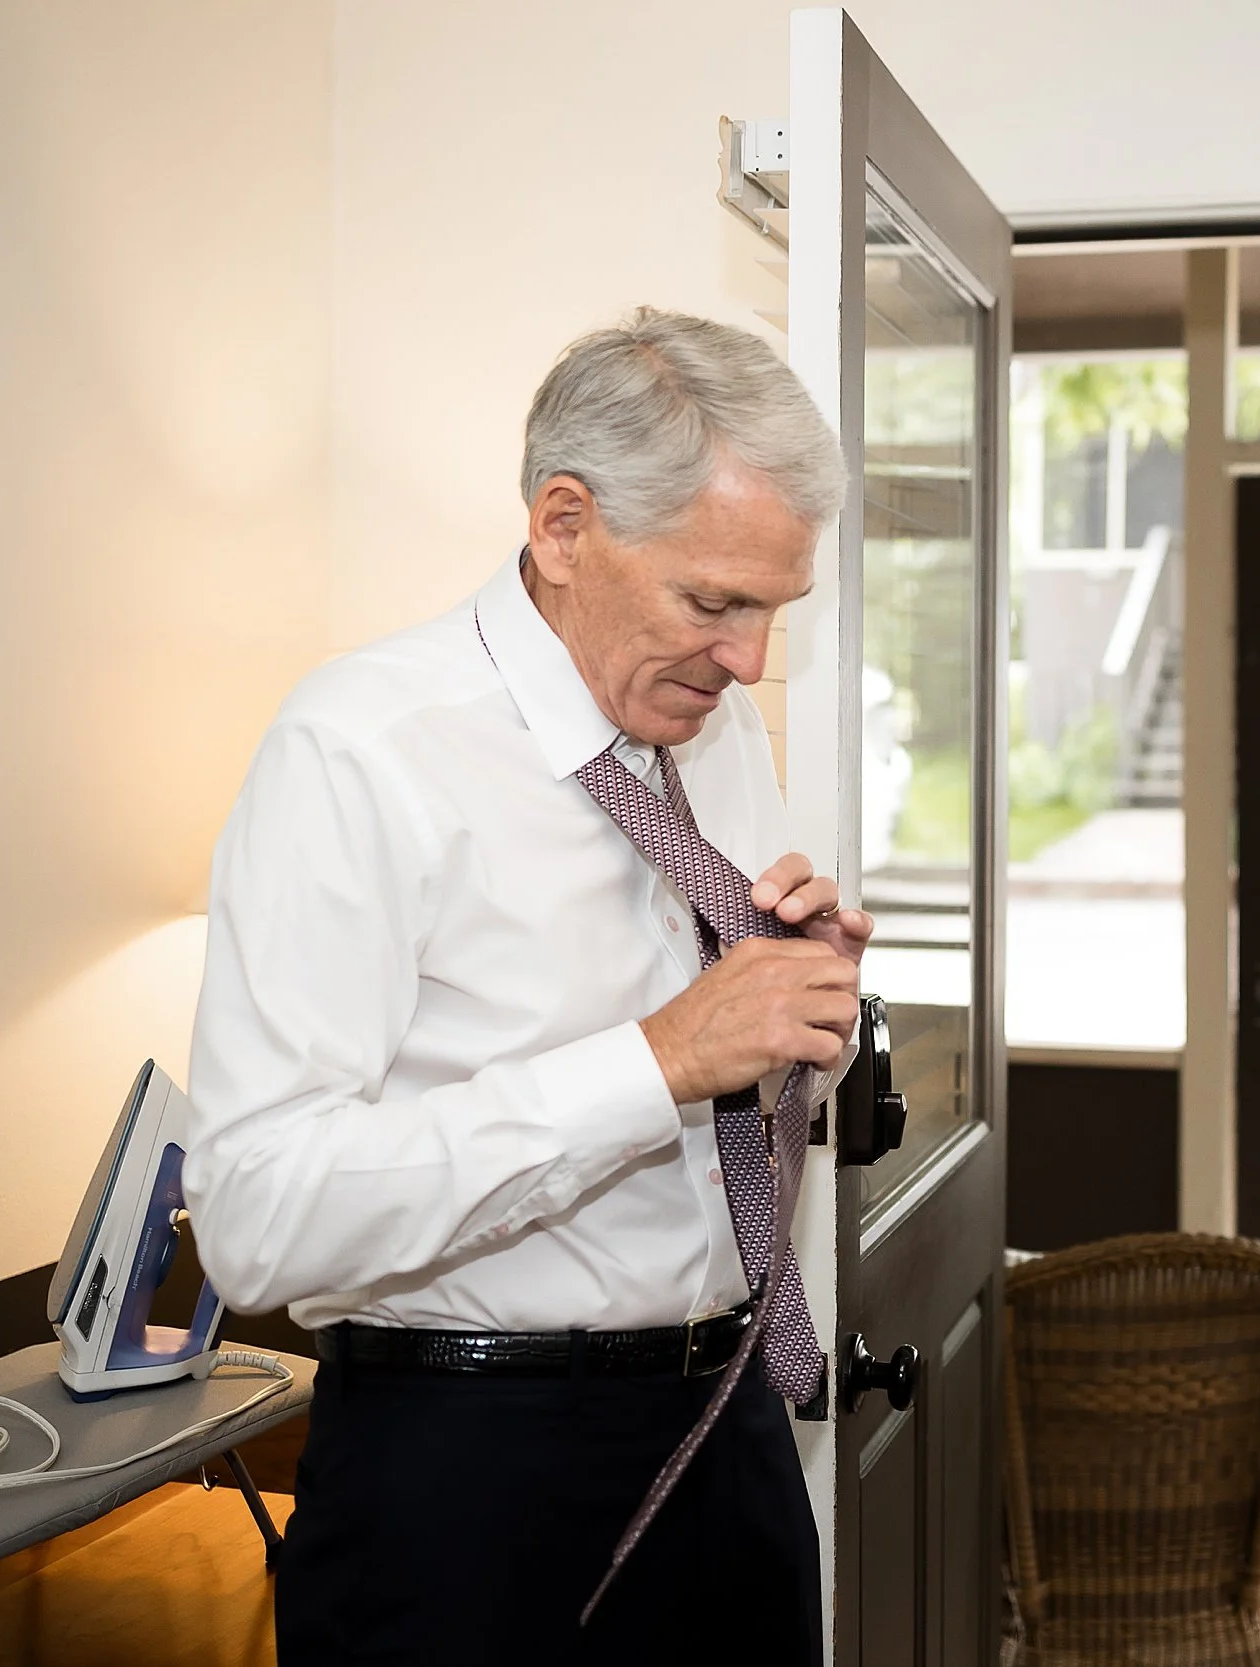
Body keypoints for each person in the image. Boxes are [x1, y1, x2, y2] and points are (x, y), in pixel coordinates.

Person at [183, 309, 863, 1664]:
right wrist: (652, 1060)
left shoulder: (706, 733)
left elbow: (720, 1068)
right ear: (563, 526)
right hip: (468, 1484)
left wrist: (795, 1008)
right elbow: (257, 1218)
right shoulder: (361, 748)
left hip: (728, 1441)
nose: (749, 664)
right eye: (714, 602)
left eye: (772, 610)